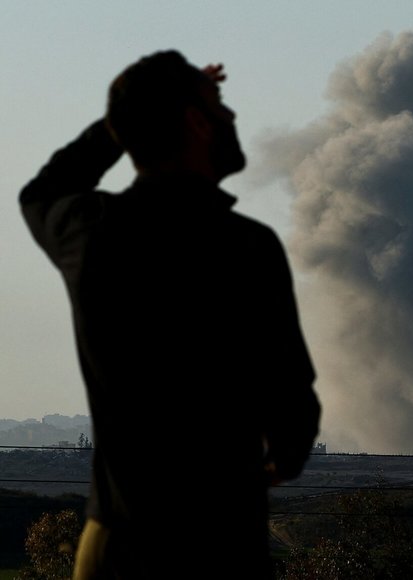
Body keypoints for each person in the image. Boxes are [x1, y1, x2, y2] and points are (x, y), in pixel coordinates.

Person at [20, 51, 321, 579]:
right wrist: (278, 458)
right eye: (218, 106)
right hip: (221, 546)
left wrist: (124, 124)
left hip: (117, 543)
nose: (231, 118)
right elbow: (292, 408)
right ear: (195, 123)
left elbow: (44, 190)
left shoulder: (90, 235)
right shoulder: (248, 247)